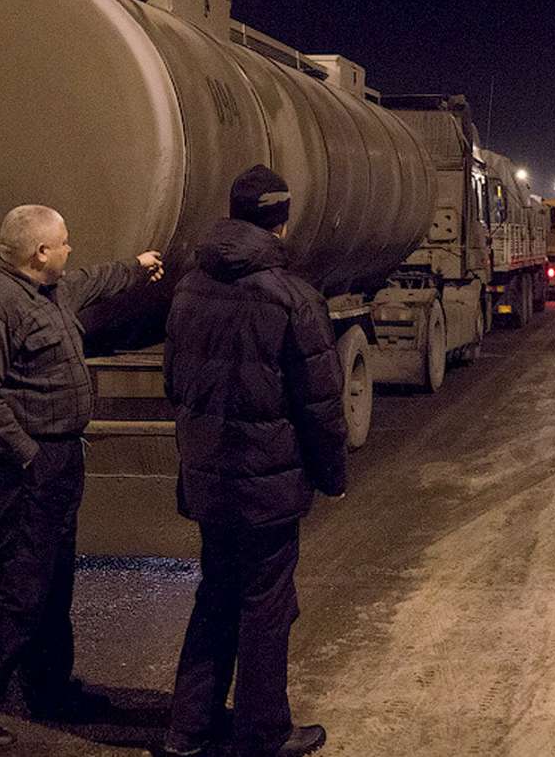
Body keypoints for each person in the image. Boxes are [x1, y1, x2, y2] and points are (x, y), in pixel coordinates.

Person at [0, 205, 164, 755]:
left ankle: (51, 690)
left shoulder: (51, 291)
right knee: (17, 590)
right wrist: (28, 454)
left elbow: (93, 280)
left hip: (60, 461)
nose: (70, 249)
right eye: (63, 242)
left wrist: (136, 266)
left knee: (54, 584)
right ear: (40, 253)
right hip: (30, 468)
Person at [162, 165, 347, 757]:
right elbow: (319, 404)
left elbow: (174, 381)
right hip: (267, 485)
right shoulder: (294, 298)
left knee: (214, 593)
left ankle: (188, 730)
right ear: (281, 220)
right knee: (266, 607)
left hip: (210, 475)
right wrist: (332, 475)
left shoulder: (189, 287)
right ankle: (263, 733)